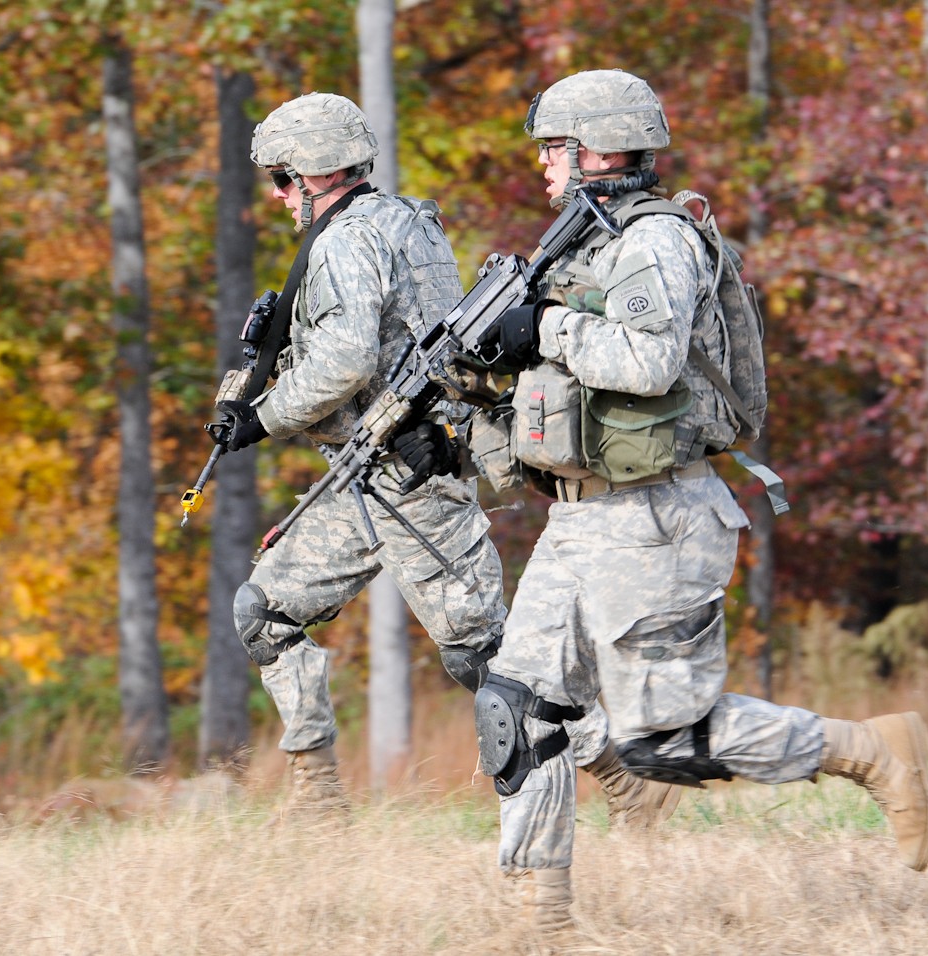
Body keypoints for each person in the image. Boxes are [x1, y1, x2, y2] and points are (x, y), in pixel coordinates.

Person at [418, 70, 928, 931]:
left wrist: (540, 326)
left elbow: (648, 365)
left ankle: (869, 751)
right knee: (519, 705)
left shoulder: (658, 241)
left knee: (665, 742)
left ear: (602, 148)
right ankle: (538, 926)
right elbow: (568, 388)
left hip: (658, 519)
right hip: (581, 518)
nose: (544, 165)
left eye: (555, 147)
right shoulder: (583, 244)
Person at [220, 92, 676, 825]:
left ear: (313, 171)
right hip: (363, 473)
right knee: (265, 611)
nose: (277, 197)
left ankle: (624, 780)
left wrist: (260, 419)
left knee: (491, 660)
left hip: (416, 475)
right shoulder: (406, 219)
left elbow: (343, 361)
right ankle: (316, 799)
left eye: (281, 179)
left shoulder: (347, 241)